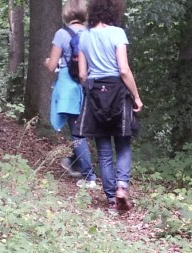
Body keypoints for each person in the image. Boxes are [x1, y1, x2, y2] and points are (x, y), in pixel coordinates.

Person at [74, 0, 143, 211]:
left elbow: (83, 74)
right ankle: (122, 186)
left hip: (95, 92)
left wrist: (94, 91)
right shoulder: (117, 33)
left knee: (104, 151)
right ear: (113, 10)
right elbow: (123, 69)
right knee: (123, 143)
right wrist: (137, 96)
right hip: (118, 92)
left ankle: (112, 199)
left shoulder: (84, 36)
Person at [44, 0, 97, 188]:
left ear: (67, 13)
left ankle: (89, 176)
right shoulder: (91, 33)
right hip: (91, 85)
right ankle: (74, 163)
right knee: (83, 128)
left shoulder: (62, 34)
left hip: (69, 86)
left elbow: (52, 66)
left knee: (77, 132)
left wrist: (48, 61)